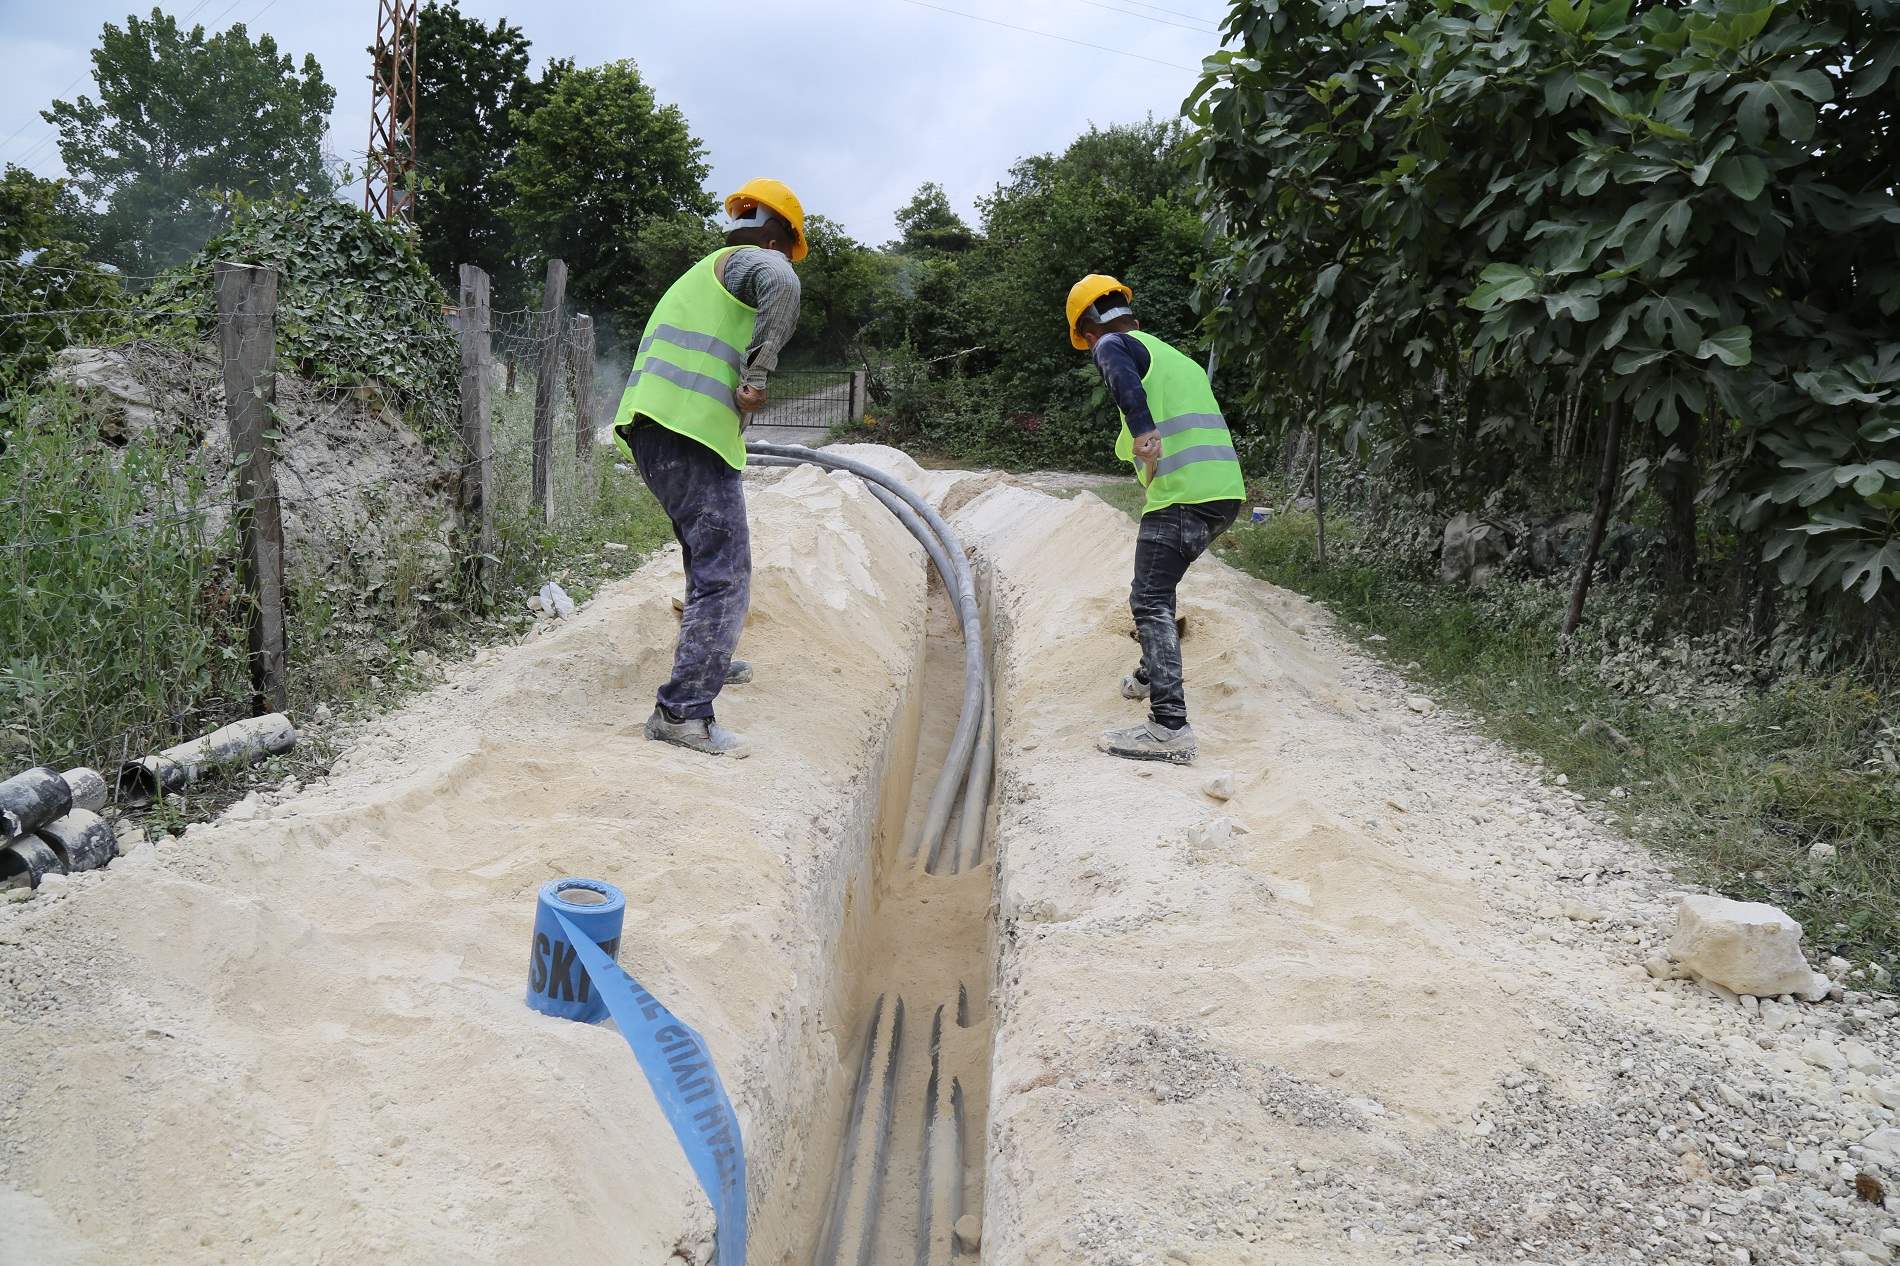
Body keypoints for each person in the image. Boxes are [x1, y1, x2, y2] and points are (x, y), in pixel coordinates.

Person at [613, 179, 807, 757]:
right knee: (725, 572)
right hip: (688, 433)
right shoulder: (758, 261)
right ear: (778, 238)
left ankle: (707, 660)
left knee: (707, 561)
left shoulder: (707, 274)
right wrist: (758, 376)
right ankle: (683, 713)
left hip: (659, 430)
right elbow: (782, 281)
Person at [1067, 274, 1246, 765]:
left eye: (1087, 341)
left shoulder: (1112, 346)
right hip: (1222, 494)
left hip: (1183, 496)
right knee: (1160, 590)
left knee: (1147, 598)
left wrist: (1143, 431)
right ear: (1133, 317)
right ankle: (1150, 677)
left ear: (1087, 332)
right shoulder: (1175, 359)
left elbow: (1119, 376)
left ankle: (1170, 726)